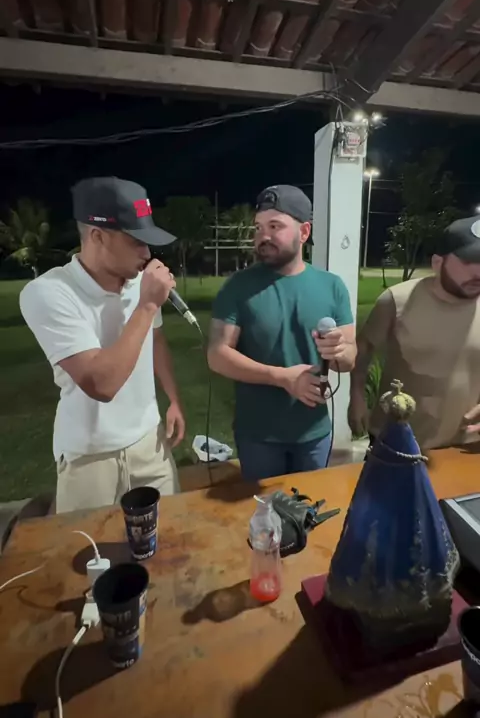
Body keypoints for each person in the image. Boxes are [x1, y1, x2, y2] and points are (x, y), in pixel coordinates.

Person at [20, 176, 185, 513]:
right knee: (88, 545)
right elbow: (101, 383)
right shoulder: (49, 293)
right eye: (136, 241)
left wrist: (174, 399)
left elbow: (154, 338)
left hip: (150, 443)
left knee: (171, 535)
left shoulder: (140, 283)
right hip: (89, 456)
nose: (147, 253)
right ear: (97, 236)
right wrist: (147, 305)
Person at [208, 184, 356, 480]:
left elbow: (349, 358)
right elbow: (217, 355)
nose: (263, 236)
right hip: (258, 436)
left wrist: (339, 351)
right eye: (259, 227)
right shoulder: (238, 286)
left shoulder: (332, 286)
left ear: (304, 232)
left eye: (275, 226)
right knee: (263, 508)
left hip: (314, 433)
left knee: (312, 504)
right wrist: (282, 377)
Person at [349, 215, 480, 450]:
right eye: (470, 261)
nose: (478, 272)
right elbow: (364, 347)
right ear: (438, 263)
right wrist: (357, 395)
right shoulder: (396, 300)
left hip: (465, 445)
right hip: (395, 440)